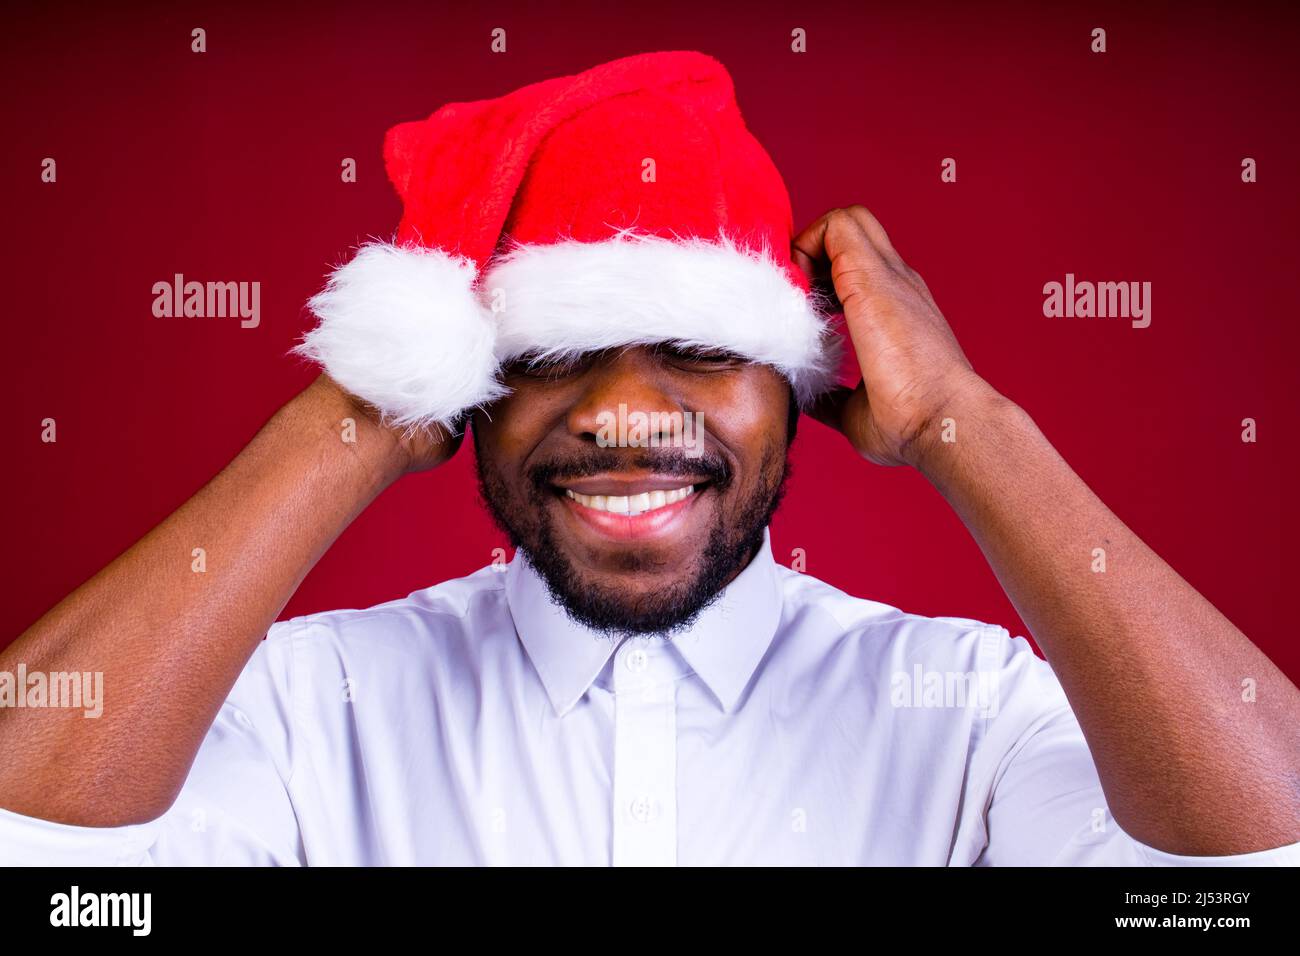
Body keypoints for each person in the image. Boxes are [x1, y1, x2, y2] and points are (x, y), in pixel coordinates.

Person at [1, 51, 1296, 866]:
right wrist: (362, 406)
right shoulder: (304, 705)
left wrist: (968, 422)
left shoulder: (968, 707)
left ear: (801, 390)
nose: (624, 410)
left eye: (696, 343)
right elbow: (27, 832)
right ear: (469, 390)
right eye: (555, 352)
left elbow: (1259, 859)